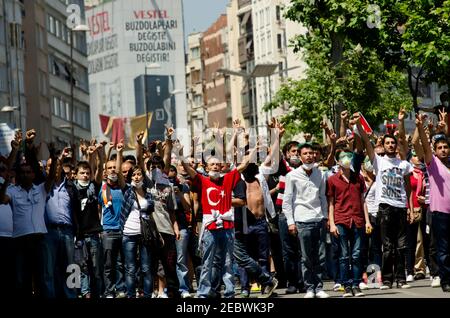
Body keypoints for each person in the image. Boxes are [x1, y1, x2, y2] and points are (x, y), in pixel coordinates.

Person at [357, 113, 413, 290]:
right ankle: (387, 279)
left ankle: (401, 278)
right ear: (383, 145)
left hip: (400, 207)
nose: (390, 145)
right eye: (387, 143)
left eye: (392, 143)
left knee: (402, 246)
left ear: (396, 146)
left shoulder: (404, 164)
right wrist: (359, 125)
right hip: (385, 208)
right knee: (387, 246)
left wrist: (410, 208)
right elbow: (366, 143)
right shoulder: (378, 162)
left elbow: (408, 187)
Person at [0, 130, 57, 297]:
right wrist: (5, 182)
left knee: (43, 277)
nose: (25, 174)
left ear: (33, 174)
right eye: (22, 172)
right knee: (21, 279)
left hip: (40, 238)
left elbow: (52, 177)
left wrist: (54, 158)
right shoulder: (12, 190)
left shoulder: (41, 189)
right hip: (19, 240)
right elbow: (1, 199)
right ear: (17, 175)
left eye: (28, 172)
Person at [283, 143, 329, 299]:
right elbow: (287, 201)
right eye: (305, 153)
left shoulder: (320, 174)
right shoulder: (292, 175)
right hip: (302, 220)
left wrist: (325, 217)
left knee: (320, 256)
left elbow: (322, 197)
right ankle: (309, 287)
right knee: (306, 257)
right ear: (300, 156)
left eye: (311, 153)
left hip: (319, 219)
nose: (309, 156)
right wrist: (290, 222)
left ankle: (319, 287)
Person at [328, 148, 371, 297]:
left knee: (357, 254)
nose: (347, 159)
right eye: (343, 157)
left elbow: (362, 200)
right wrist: (332, 223)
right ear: (338, 161)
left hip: (358, 219)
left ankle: (356, 283)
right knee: (344, 255)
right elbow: (331, 203)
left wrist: (367, 221)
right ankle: (346, 284)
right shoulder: (332, 180)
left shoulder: (358, 178)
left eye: (349, 156)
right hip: (341, 219)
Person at [415, 113, 450, 292]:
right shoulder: (433, 164)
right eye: (440, 147)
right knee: (442, 249)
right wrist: (421, 127)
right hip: (439, 213)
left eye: (446, 147)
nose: (443, 149)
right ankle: (445, 280)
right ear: (435, 151)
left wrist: (445, 127)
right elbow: (425, 147)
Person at [120, 166, 155, 298]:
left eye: (139, 174)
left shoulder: (149, 193)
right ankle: (130, 295)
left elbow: (151, 210)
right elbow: (119, 172)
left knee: (146, 268)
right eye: (133, 175)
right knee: (130, 269)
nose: (136, 177)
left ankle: (147, 294)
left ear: (143, 176)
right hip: (129, 233)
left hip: (145, 234)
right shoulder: (127, 191)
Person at [100, 141, 128, 298]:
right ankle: (109, 291)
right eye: (109, 168)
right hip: (108, 231)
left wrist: (118, 152)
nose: (112, 170)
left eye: (114, 168)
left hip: (122, 230)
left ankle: (121, 289)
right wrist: (105, 150)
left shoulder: (122, 186)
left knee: (120, 263)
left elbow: (118, 171)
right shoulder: (102, 188)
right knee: (109, 264)